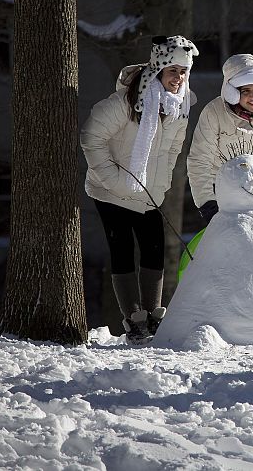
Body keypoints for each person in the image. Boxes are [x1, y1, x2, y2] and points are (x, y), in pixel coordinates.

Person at [81, 35, 199, 343]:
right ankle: (134, 320)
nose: (179, 78)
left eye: (184, 71)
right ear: (158, 69)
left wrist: (161, 184)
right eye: (173, 70)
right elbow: (91, 138)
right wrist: (116, 180)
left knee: (155, 249)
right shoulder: (127, 101)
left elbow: (174, 149)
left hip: (148, 192)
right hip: (111, 190)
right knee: (122, 251)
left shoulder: (181, 105)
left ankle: (153, 316)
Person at [187, 54, 253, 223]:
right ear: (233, 92)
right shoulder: (213, 112)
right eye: (246, 90)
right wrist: (207, 202)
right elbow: (200, 161)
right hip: (222, 191)